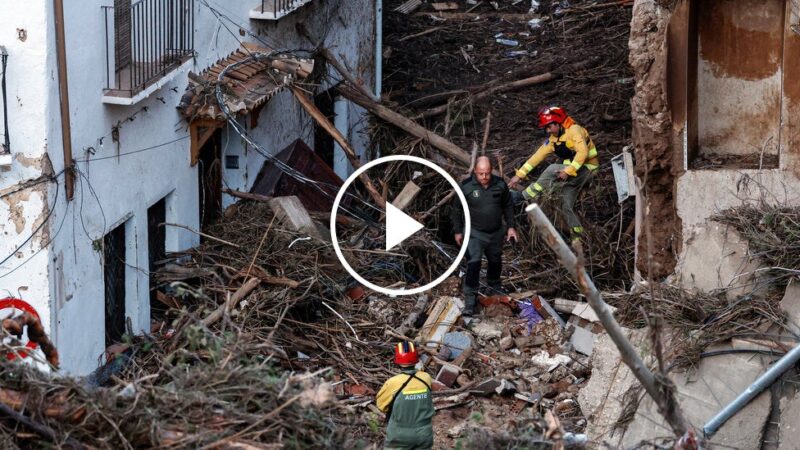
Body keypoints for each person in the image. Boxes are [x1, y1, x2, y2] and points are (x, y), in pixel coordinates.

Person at [509, 106, 599, 244]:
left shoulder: (574, 130)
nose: (547, 130)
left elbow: (583, 153)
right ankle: (578, 237)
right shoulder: (553, 140)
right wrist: (519, 175)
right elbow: (537, 157)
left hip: (588, 170)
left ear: (557, 123)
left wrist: (567, 171)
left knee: (551, 169)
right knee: (566, 205)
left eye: (549, 127)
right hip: (574, 175)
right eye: (546, 128)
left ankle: (523, 196)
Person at [451, 156, 518, 316]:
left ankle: (494, 286)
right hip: (474, 232)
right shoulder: (466, 187)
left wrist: (511, 227)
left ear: (491, 171)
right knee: (474, 262)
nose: (484, 177)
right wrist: (458, 231)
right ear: (475, 171)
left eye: (487, 173)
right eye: (481, 173)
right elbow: (456, 210)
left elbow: (508, 206)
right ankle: (470, 298)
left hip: (495, 232)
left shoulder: (500, 185)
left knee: (495, 260)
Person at [375, 341, 434, 450]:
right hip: (424, 433)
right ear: (416, 358)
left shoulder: (393, 382)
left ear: (397, 359)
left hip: (400, 434)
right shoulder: (426, 378)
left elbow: (381, 406)